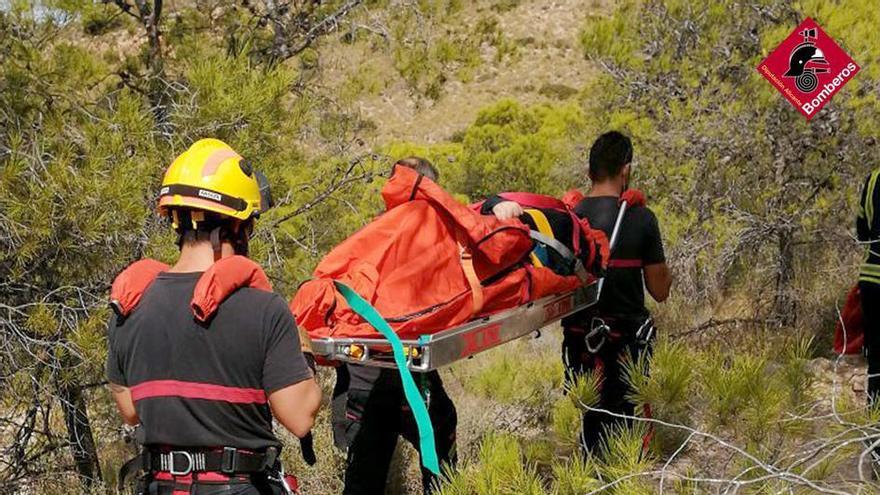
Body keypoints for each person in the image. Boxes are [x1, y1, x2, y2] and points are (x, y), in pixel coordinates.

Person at [106, 138, 321, 494]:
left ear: (177, 222)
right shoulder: (263, 309)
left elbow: (131, 410)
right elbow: (299, 418)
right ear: (236, 227)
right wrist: (305, 355)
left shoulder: (128, 308)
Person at [492, 131, 672, 455]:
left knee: (593, 420)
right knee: (623, 422)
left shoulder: (568, 219)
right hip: (626, 344)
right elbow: (660, 291)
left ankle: (594, 473)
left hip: (581, 343)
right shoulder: (641, 218)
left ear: (589, 172)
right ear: (626, 170)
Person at [337, 156, 457, 495]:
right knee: (441, 452)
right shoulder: (433, 246)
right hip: (402, 383)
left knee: (365, 480)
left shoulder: (367, 240)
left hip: (361, 384)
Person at [857, 168, 880, 407]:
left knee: (876, 359)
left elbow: (862, 233)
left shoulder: (873, 178)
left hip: (871, 280)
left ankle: (874, 431)